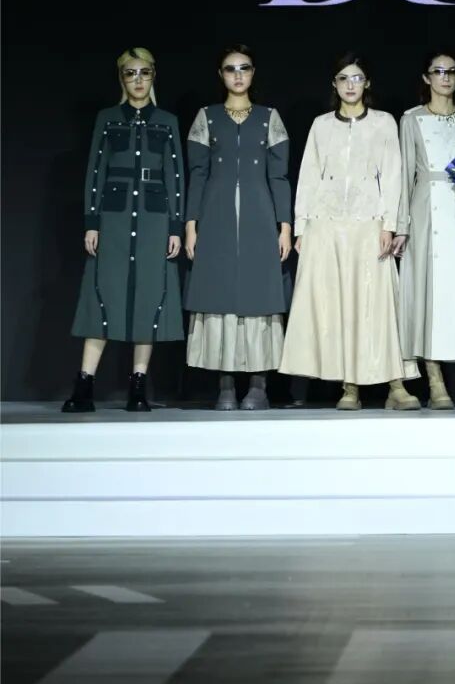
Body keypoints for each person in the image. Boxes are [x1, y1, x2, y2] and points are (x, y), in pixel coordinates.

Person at [279, 53, 419, 412]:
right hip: (326, 225)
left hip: (368, 222)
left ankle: (396, 385)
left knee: (377, 303)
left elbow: (392, 175)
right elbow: (308, 175)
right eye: (343, 78)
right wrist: (302, 225)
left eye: (357, 78)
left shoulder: (383, 122)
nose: (351, 84)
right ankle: (349, 386)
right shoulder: (322, 125)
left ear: (367, 83)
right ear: (335, 84)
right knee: (338, 304)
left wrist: (390, 224)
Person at [61, 46, 184, 415]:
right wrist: (92, 222)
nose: (138, 80)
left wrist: (175, 227)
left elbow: (176, 177)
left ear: (153, 76)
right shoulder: (108, 118)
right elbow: (95, 171)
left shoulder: (167, 120)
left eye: (144, 73)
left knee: (149, 296)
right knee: (102, 295)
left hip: (154, 219)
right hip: (114, 219)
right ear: (122, 78)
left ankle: (138, 386)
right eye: (131, 73)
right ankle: (84, 384)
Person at [183, 45, 292, 412]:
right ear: (221, 75)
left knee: (260, 298)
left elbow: (279, 176)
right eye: (230, 69)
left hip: (260, 219)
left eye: (244, 68)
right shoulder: (207, 118)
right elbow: (197, 173)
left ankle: (258, 386)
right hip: (216, 220)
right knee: (220, 298)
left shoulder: (269, 118)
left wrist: (285, 226)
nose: (238, 75)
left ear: (253, 72)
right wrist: (191, 225)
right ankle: (226, 384)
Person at [394, 51, 455, 410]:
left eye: (451, 71)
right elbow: (404, 175)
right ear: (427, 78)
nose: (445, 78)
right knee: (427, 297)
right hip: (426, 212)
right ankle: (435, 382)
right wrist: (401, 225)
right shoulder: (411, 119)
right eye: (438, 71)